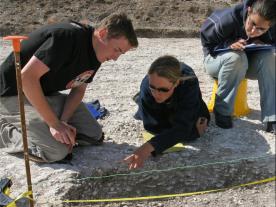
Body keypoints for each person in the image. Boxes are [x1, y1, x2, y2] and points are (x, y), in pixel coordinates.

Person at [0, 13, 138, 163]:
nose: (115, 58)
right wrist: (55, 124)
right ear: (103, 34)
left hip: (44, 93)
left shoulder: (97, 51)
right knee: (56, 152)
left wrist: (64, 121)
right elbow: (26, 78)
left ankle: (44, 128)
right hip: (12, 93)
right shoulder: (66, 37)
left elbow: (78, 89)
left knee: (93, 135)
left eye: (121, 53)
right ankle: (4, 129)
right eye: (117, 50)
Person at [200, 0, 276, 132]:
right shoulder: (228, 18)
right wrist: (228, 45)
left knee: (268, 57)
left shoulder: (272, 26)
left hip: (246, 63)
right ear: (249, 10)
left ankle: (271, 117)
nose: (253, 30)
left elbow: (272, 44)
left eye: (261, 29)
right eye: (252, 23)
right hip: (215, 61)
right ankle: (222, 111)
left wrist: (263, 42)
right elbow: (207, 42)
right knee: (235, 57)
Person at [124, 56, 210, 169]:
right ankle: (141, 99)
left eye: (163, 89)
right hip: (156, 105)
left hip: (183, 98)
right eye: (153, 87)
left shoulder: (189, 82)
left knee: (191, 133)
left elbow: (183, 126)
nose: (156, 94)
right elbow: (152, 127)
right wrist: (150, 147)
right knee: (188, 132)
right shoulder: (146, 86)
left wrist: (149, 147)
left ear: (176, 83)